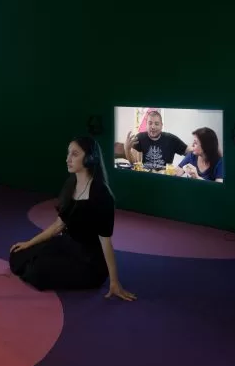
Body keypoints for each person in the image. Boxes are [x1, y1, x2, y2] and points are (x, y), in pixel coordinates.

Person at [10, 136, 137, 301]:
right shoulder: (71, 184)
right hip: (68, 244)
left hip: (89, 262)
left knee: (37, 272)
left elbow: (106, 241)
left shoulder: (101, 194)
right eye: (68, 153)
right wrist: (29, 243)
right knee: (18, 255)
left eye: (74, 154)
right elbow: (58, 225)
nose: (68, 159)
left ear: (89, 158)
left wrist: (114, 282)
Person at [120, 111, 190, 171]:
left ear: (161, 125)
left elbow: (190, 153)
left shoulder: (171, 139)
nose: (153, 127)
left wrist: (180, 167)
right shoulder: (140, 137)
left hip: (165, 178)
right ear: (146, 125)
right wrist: (127, 149)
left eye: (156, 124)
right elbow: (133, 164)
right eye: (150, 123)